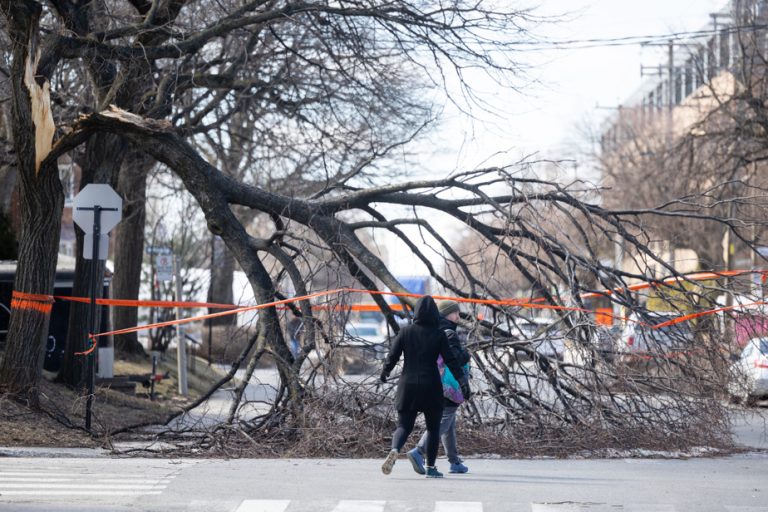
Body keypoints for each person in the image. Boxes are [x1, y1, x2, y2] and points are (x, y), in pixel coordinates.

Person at [379, 296, 470, 479]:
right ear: (435, 314)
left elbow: (392, 356)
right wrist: (462, 381)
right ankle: (430, 467)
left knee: (404, 426)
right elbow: (451, 361)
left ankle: (395, 450)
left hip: (408, 386)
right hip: (431, 387)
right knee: (434, 429)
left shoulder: (405, 332)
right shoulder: (439, 335)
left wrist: (385, 372)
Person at [407, 299, 471, 475]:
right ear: (446, 314)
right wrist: (466, 353)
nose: (458, 316)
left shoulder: (431, 329)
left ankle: (454, 461)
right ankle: (419, 451)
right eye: (455, 312)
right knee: (443, 420)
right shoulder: (449, 332)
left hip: (432, 381)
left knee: (448, 422)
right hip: (447, 385)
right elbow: (455, 359)